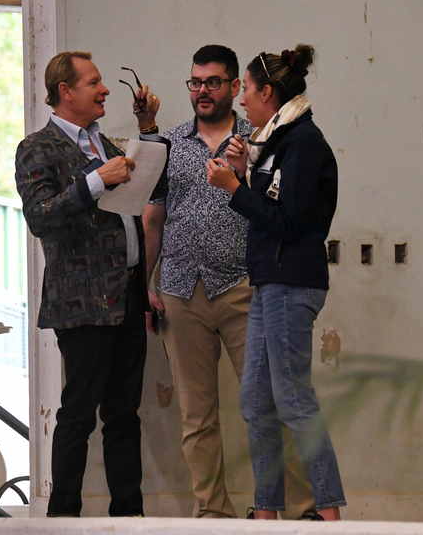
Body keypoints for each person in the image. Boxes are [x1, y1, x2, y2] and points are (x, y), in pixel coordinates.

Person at [136, 44, 314, 519]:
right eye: (195, 82)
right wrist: (145, 284)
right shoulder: (171, 144)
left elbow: (281, 210)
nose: (203, 91)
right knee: (196, 416)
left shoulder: (260, 140)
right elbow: (153, 219)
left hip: (244, 288)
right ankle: (213, 513)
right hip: (180, 290)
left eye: (213, 82)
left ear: (235, 87)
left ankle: (297, 511)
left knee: (270, 405)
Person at [206, 44, 345, 520]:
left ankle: (328, 511)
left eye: (246, 88)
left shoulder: (303, 143)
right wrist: (242, 174)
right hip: (269, 281)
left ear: (267, 92)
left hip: (293, 281)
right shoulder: (275, 142)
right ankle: (266, 511)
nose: (241, 99)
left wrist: (234, 189)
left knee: (293, 399)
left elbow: (288, 222)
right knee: (255, 401)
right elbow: (272, 204)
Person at [15, 51, 149, 517]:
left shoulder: (105, 144)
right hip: (83, 301)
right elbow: (40, 216)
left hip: (127, 294)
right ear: (65, 91)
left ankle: (129, 516)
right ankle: (62, 518)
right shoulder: (38, 147)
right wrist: (95, 181)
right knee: (78, 413)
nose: (105, 89)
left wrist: (147, 133)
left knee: (124, 413)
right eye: (94, 82)